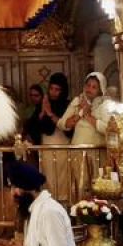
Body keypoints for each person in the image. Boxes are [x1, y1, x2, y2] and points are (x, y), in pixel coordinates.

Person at [57, 71, 113, 198]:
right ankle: (80, 213)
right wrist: (81, 113)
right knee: (80, 187)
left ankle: (98, 212)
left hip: (97, 153)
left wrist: (88, 115)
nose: (89, 89)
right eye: (88, 85)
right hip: (77, 152)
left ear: (101, 90)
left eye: (94, 87)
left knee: (98, 187)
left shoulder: (106, 105)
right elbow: (62, 124)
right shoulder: (78, 101)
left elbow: (108, 128)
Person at [37, 73, 73, 204]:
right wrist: (43, 111)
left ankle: (64, 206)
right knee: (48, 177)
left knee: (62, 179)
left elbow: (67, 126)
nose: (53, 92)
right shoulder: (45, 103)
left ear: (63, 90)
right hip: (46, 147)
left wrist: (50, 113)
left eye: (57, 89)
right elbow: (39, 127)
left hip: (62, 147)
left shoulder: (67, 105)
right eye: (51, 89)